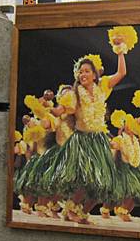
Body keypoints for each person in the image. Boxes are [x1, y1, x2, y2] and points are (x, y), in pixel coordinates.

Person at [42, 49, 127, 224]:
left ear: (95, 75)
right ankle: (71, 208)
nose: (83, 74)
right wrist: (46, 107)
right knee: (84, 177)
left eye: (87, 71)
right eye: (80, 72)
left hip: (99, 140)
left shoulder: (102, 87)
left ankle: (78, 211)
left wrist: (120, 50)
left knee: (101, 182)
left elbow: (122, 73)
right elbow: (61, 110)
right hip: (82, 141)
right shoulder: (74, 94)